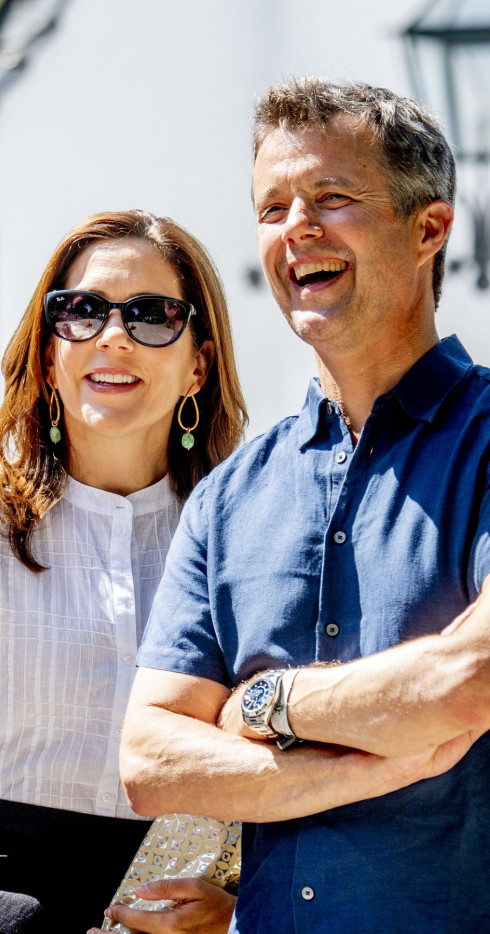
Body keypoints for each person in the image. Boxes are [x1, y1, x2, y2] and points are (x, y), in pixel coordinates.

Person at [119, 77, 490, 934]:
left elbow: (466, 682)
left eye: (332, 198)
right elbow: (150, 759)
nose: (297, 230)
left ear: (429, 227)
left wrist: (265, 705)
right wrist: (371, 761)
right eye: (273, 207)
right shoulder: (227, 497)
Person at [0, 210, 247, 933]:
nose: (113, 334)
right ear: (49, 352)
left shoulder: (242, 537)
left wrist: (237, 907)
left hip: (171, 918)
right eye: (80, 311)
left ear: (198, 365)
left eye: (151, 315)